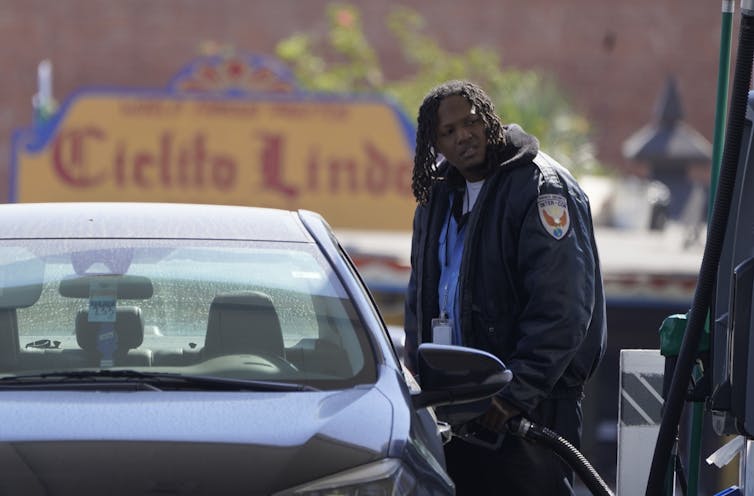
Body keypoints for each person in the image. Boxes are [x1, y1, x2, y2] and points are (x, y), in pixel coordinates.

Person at [403, 80, 607, 495]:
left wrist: (516, 394)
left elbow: (563, 308)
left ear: (489, 121)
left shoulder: (541, 186)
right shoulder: (437, 196)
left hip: (529, 410)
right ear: (434, 142)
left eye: (472, 122)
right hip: (455, 413)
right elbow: (417, 302)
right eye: (448, 131)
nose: (464, 136)